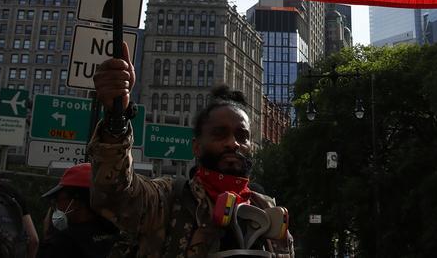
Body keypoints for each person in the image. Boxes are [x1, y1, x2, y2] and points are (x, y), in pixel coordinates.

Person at [91, 42, 293, 257]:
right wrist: (116, 118)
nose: (233, 143)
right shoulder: (166, 199)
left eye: (242, 136)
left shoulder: (267, 210)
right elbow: (115, 194)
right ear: (196, 146)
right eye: (219, 134)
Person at [37, 163, 120, 258]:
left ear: (75, 202)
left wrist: (49, 235)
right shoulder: (115, 234)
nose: (56, 206)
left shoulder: (62, 244)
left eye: (58, 200)